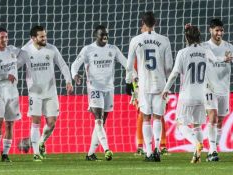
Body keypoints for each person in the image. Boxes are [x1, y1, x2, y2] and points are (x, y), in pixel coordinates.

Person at [162, 24, 232, 163]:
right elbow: (216, 60)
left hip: (187, 94)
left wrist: (165, 89)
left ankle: (196, 144)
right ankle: (197, 155)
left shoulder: (183, 52)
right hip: (202, 96)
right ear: (199, 37)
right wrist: (225, 59)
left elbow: (174, 74)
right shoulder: (205, 51)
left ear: (187, 37)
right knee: (197, 125)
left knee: (181, 124)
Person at [71, 25, 130, 161]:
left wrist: (134, 75)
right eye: (102, 35)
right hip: (94, 89)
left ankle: (90, 154)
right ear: (95, 35)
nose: (105, 37)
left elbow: (126, 63)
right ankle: (107, 149)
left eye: (106, 35)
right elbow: (74, 65)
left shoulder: (113, 49)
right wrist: (75, 75)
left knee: (102, 122)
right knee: (98, 119)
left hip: (109, 89)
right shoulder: (88, 50)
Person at [202, 19, 233, 162]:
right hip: (209, 87)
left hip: (224, 89)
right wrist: (224, 59)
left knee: (220, 121)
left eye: (221, 30)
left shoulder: (229, 46)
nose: (219, 33)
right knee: (212, 117)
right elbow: (211, 59)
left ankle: (214, 148)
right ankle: (212, 150)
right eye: (217, 30)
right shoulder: (205, 46)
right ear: (210, 30)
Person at [126, 11, 173, 162]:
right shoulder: (164, 40)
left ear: (143, 23)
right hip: (160, 84)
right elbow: (169, 67)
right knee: (158, 117)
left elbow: (128, 66)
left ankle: (147, 152)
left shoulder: (135, 40)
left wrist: (130, 82)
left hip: (144, 85)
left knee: (145, 117)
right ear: (156, 23)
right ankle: (158, 149)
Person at [21, 25, 73, 162]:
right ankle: (36, 153)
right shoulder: (25, 51)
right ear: (33, 38)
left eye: (45, 35)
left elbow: (62, 65)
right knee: (36, 121)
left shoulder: (52, 49)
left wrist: (68, 81)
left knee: (52, 122)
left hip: (50, 92)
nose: (45, 38)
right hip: (34, 93)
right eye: (41, 36)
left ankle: (41, 141)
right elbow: (15, 65)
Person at [0, 27, 29, 162]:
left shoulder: (12, 49)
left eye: (6, 37)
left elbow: (24, 54)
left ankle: (5, 154)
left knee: (10, 124)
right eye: (2, 37)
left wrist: (17, 65)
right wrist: (6, 75)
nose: (5, 40)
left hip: (12, 92)